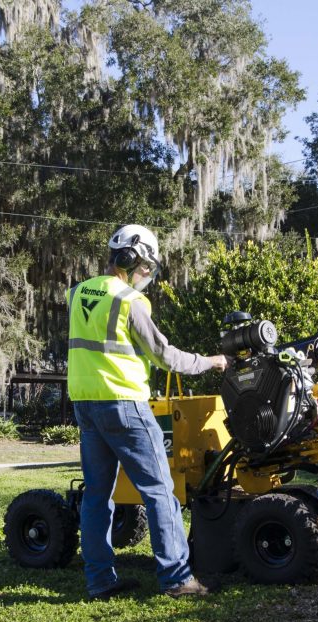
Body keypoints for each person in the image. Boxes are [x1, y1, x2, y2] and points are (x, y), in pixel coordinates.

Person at [66, 224, 228, 600]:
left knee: (96, 496)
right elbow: (164, 355)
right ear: (131, 258)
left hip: (86, 407)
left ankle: (100, 581)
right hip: (124, 406)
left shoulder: (76, 293)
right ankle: (177, 579)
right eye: (146, 268)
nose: (147, 277)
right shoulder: (128, 301)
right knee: (159, 492)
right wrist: (212, 361)